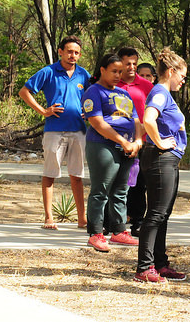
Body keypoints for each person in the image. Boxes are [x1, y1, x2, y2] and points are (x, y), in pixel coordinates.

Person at [19, 36, 90, 230]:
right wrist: (43, 111)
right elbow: (24, 92)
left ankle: (82, 219)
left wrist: (89, 113)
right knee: (50, 174)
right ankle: (49, 218)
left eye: (76, 52)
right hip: (54, 131)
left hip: (78, 131)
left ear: (79, 54)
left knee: (77, 176)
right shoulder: (48, 72)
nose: (72, 55)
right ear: (60, 51)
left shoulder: (84, 75)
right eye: (69, 51)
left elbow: (94, 96)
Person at [134, 47, 188, 283]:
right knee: (155, 214)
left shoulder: (165, 94)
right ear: (171, 71)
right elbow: (148, 119)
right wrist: (160, 142)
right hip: (159, 158)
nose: (183, 81)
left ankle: (160, 263)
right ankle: (144, 267)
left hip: (167, 159)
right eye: (182, 76)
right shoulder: (159, 92)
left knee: (162, 214)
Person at [82, 54, 143, 252]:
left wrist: (137, 142)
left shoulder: (124, 94)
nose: (118, 75)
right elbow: (98, 123)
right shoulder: (94, 92)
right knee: (101, 191)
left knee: (121, 191)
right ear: (102, 70)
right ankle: (96, 233)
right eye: (114, 71)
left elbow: (135, 120)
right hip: (103, 146)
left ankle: (119, 231)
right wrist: (123, 141)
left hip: (126, 147)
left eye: (120, 72)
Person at [114, 48, 154, 238]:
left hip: (142, 142)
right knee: (115, 184)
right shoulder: (112, 84)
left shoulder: (147, 86)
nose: (131, 67)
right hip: (116, 141)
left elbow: (155, 114)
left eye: (134, 63)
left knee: (138, 186)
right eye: (127, 63)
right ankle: (113, 223)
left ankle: (138, 223)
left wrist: (141, 136)